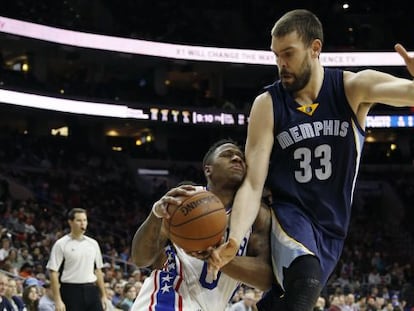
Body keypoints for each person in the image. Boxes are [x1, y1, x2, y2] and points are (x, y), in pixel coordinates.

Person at [208, 8, 414, 311]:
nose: (281, 64)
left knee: (285, 300)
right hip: (289, 213)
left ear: (315, 48)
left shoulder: (352, 88)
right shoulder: (268, 104)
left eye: (288, 54)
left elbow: (408, 93)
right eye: (276, 56)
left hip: (332, 225)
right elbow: (253, 183)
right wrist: (234, 239)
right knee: (304, 281)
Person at [130, 139, 273, 311]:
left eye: (241, 157)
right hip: (168, 298)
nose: (237, 158)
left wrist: (220, 259)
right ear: (208, 170)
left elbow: (265, 279)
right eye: (227, 155)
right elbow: (141, 259)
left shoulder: (257, 215)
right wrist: (156, 214)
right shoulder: (184, 199)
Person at [46, 208, 107, 311]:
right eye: (79, 220)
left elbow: (98, 271)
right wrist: (57, 300)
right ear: (70, 222)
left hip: (91, 289)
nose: (83, 223)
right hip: (70, 290)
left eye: (85, 220)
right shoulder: (61, 244)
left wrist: (104, 295)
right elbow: (53, 272)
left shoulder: (93, 244)